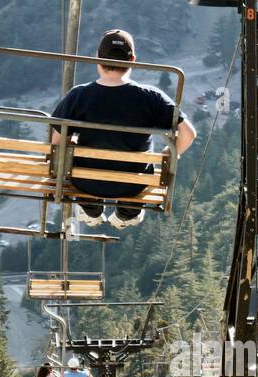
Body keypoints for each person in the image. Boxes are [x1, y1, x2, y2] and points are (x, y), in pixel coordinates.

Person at [51, 29, 196, 228]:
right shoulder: (151, 97)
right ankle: (128, 213)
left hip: (87, 181)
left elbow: (56, 145)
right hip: (132, 185)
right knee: (140, 166)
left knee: (74, 155)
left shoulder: (78, 95)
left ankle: (90, 209)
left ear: (98, 59)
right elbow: (188, 134)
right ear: (133, 60)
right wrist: (170, 153)